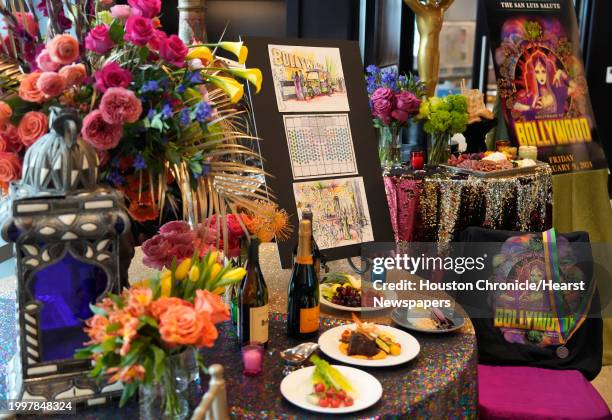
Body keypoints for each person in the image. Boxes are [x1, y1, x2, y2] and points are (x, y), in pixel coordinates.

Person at [513, 51, 574, 118]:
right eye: (537, 72)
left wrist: (561, 73)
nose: (541, 76)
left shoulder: (557, 90)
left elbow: (576, 88)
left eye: (543, 71)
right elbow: (514, 105)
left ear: (548, 71)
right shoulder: (530, 95)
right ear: (533, 74)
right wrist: (531, 107)